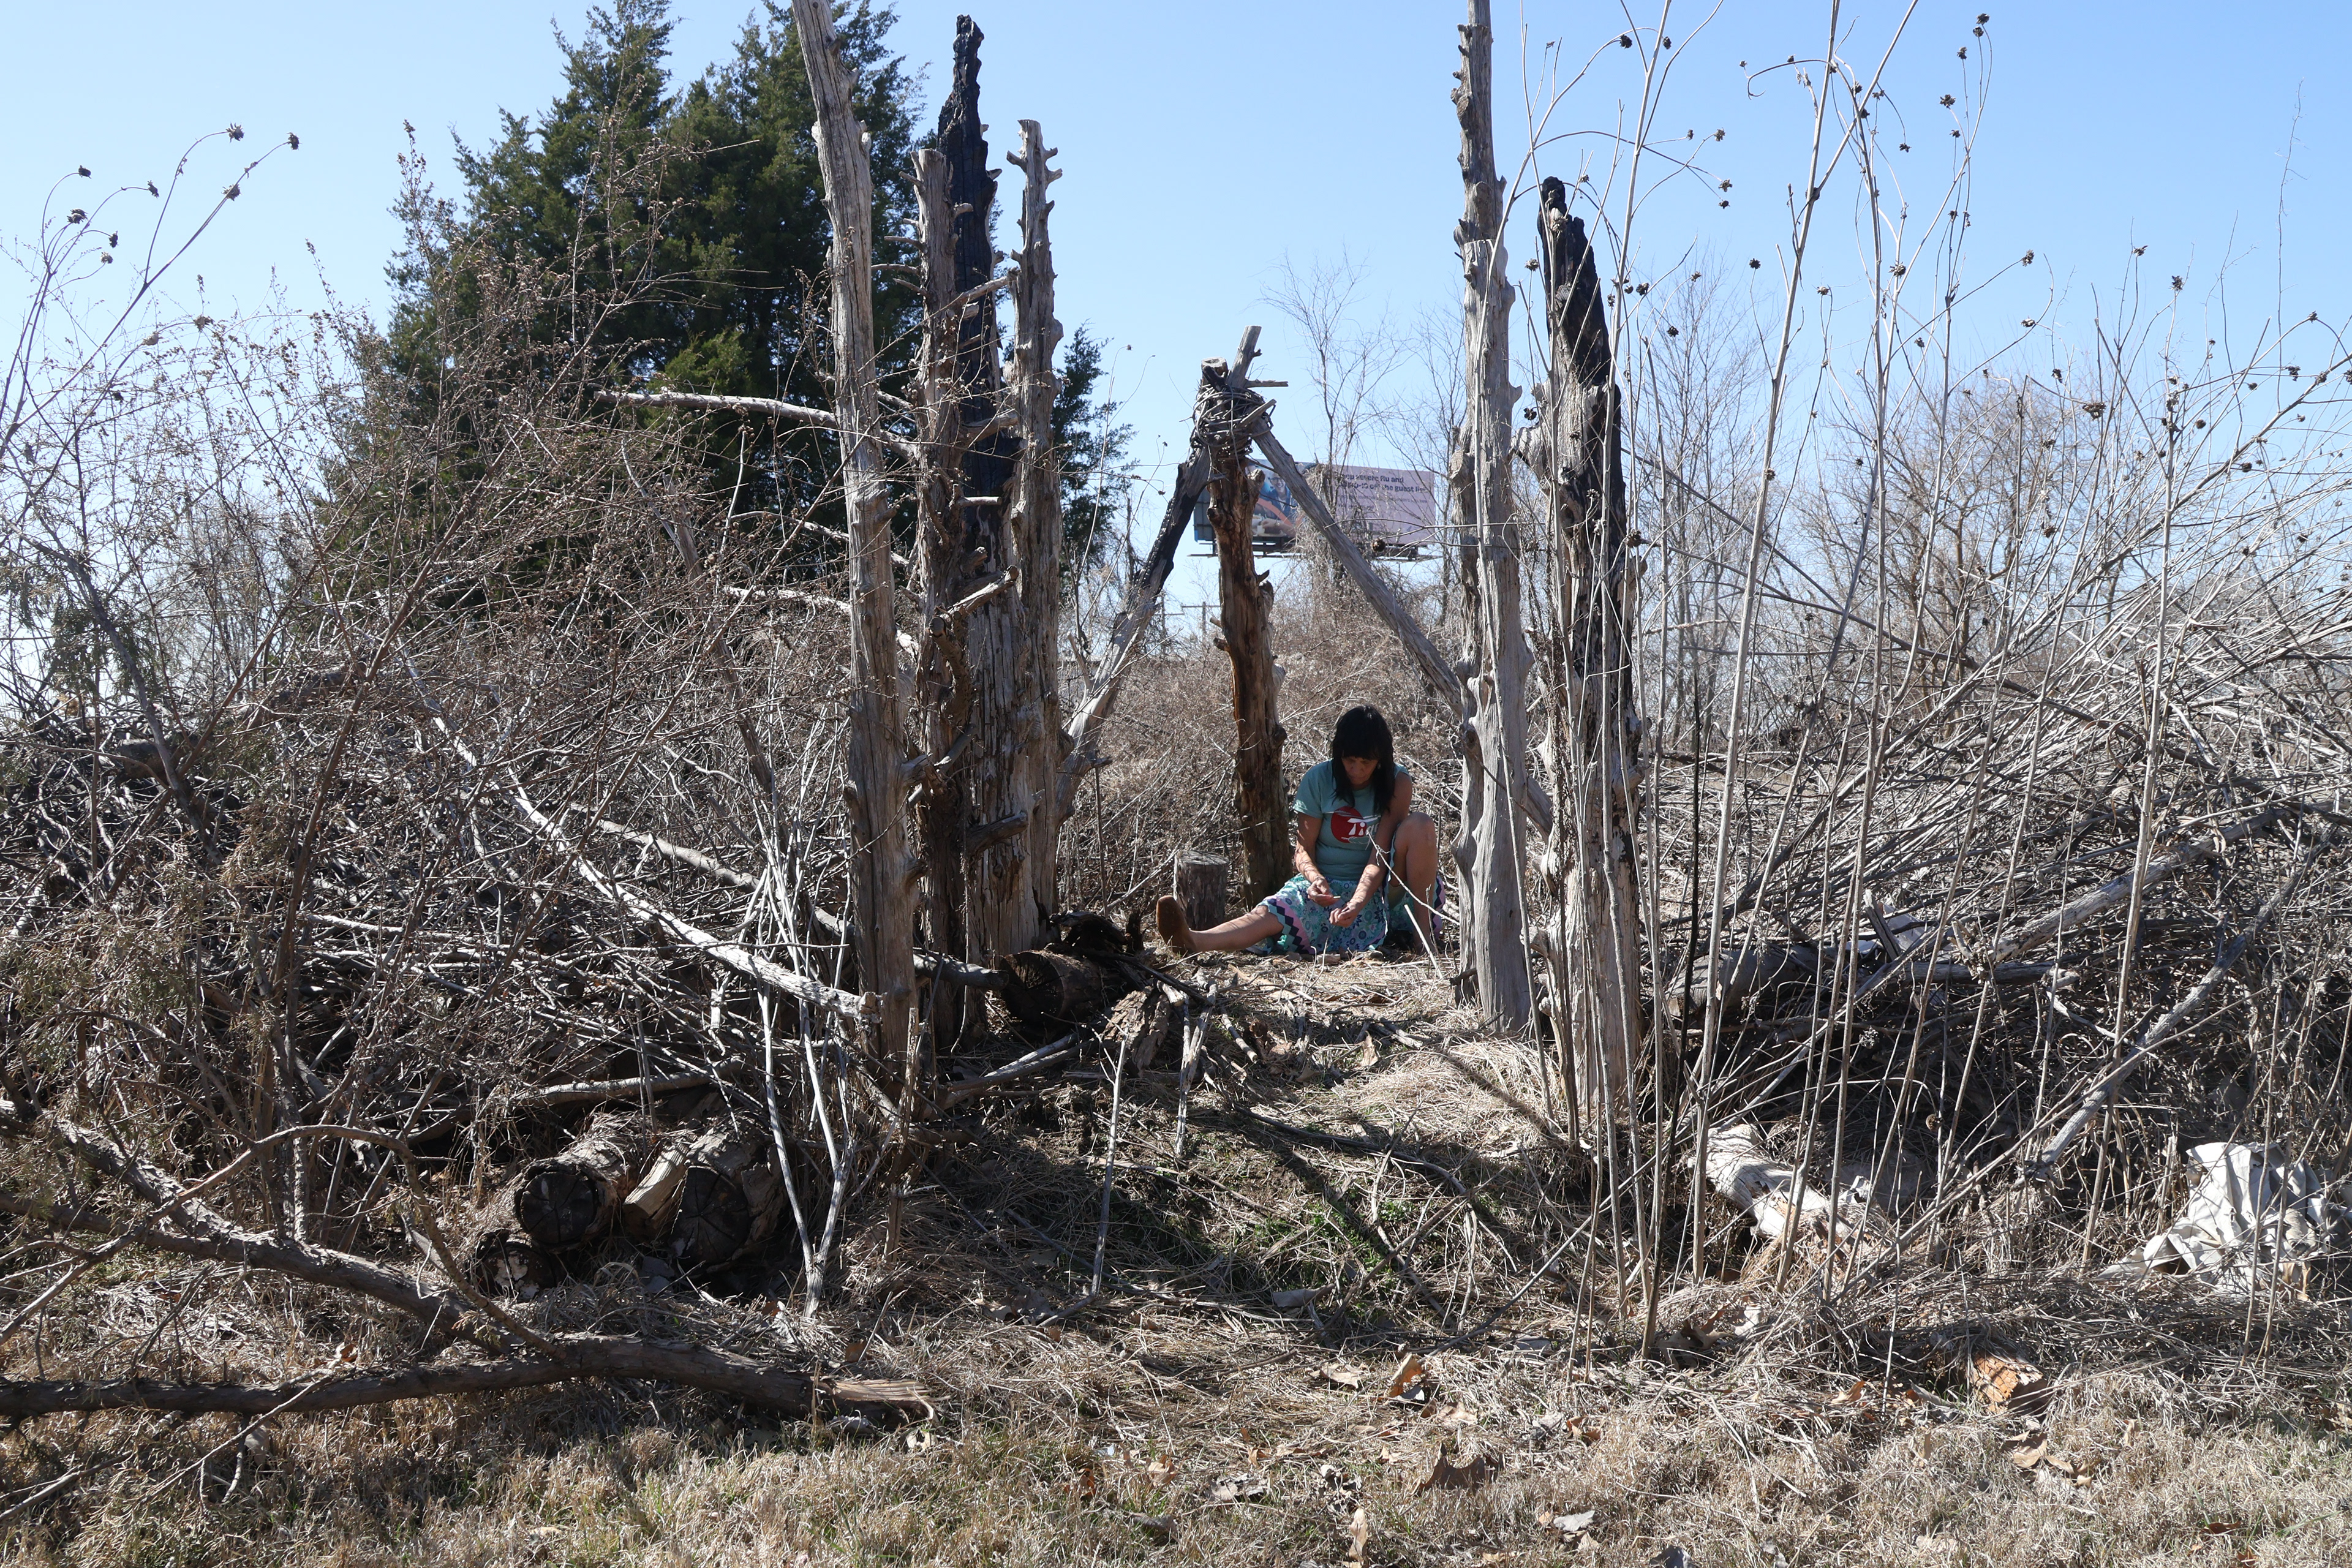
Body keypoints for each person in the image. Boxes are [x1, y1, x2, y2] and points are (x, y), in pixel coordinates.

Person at [1156, 704, 1439, 957]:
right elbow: (1303, 849)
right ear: (1338, 753)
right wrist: (1315, 879)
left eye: (1366, 763)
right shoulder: (1318, 779)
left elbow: (1380, 855)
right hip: (1328, 887)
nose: (1356, 770)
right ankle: (1194, 940)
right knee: (1270, 913)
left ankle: (1423, 941)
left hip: (1381, 887)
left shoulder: (1397, 781)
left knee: (1421, 825)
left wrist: (1357, 902)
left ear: (1381, 759)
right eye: (1349, 760)